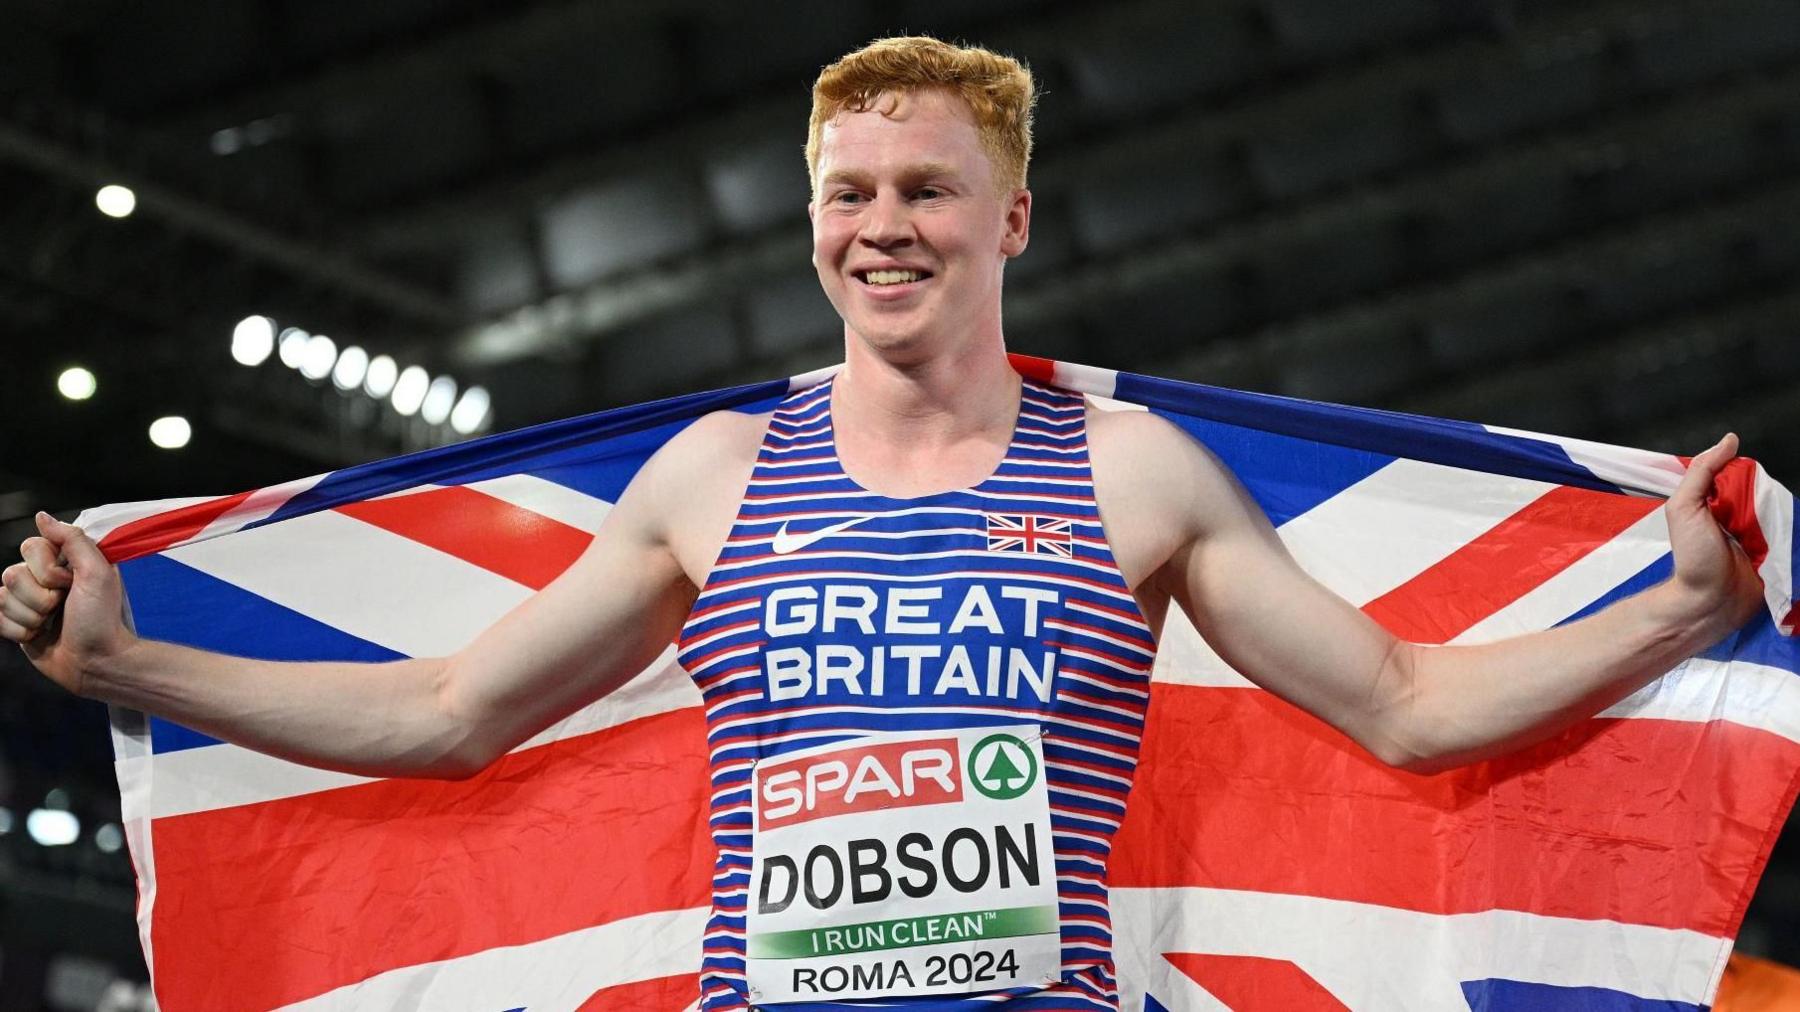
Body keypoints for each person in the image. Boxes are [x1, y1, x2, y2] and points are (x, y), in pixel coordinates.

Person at [0, 36, 1767, 1012]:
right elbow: (448, 714)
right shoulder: (707, 476)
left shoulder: (1133, 471)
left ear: (1013, 219)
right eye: (848, 193)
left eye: (928, 189)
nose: (883, 225)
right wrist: (133, 659)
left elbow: (1404, 700)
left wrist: (1683, 612)